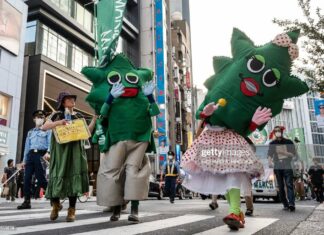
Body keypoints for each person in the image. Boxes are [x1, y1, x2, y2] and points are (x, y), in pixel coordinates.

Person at [42, 91, 96, 222]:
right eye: (69, 98)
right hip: (60, 152)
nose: (72, 100)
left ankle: (71, 210)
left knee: (74, 178)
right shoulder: (57, 114)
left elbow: (87, 133)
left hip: (76, 151)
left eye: (73, 98)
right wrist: (59, 122)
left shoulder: (78, 116)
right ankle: (55, 205)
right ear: (62, 102)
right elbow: (44, 127)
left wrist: (94, 119)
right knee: (57, 175)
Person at [17, 110, 51, 209]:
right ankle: (26, 201)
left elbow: (50, 143)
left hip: (40, 156)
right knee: (26, 179)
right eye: (37, 117)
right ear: (34, 119)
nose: (39, 118)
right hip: (31, 156)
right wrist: (24, 160)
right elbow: (27, 147)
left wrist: (48, 152)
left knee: (41, 179)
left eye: (41, 117)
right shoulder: (30, 132)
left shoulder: (47, 130)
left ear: (44, 119)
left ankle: (54, 199)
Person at [268, 126, 297, 211]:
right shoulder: (272, 143)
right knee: (280, 186)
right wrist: (270, 162)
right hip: (277, 165)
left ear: (282, 132)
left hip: (287, 164)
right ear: (274, 133)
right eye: (276, 131)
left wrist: (284, 153)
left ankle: (291, 203)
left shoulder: (289, 142)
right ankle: (285, 204)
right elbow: (270, 154)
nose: (277, 132)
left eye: (279, 131)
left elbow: (293, 155)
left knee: (289, 184)